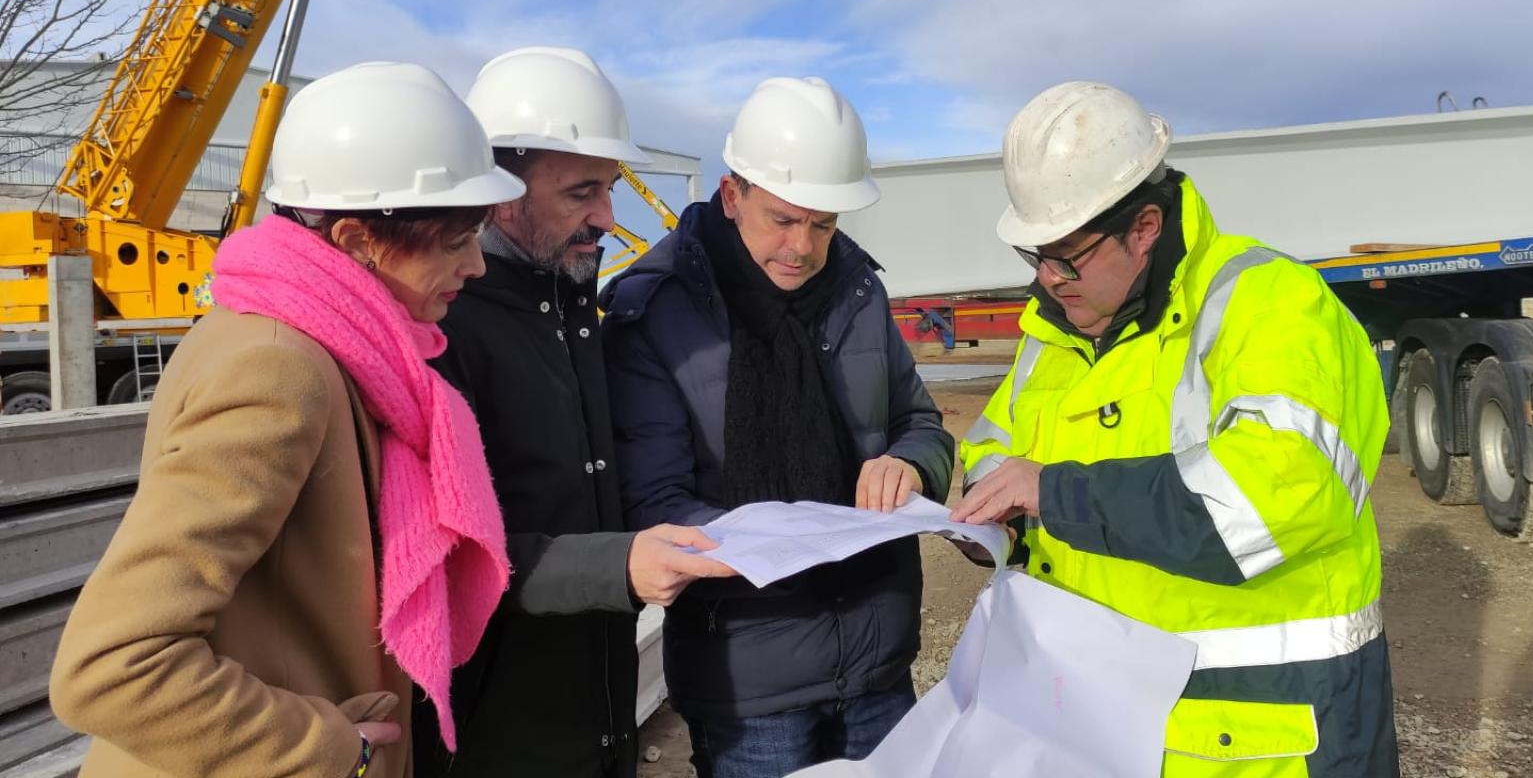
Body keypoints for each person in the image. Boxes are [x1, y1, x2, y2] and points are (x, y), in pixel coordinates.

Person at [49, 62, 526, 778]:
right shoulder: (280, 369)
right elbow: (113, 664)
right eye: (455, 239)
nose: (477, 265)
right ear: (358, 238)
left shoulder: (318, 345)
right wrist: (335, 751)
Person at [951, 81, 1399, 777]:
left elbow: (1268, 501)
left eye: (1066, 255)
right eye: (1034, 255)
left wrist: (1055, 494)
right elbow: (993, 449)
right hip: (1098, 714)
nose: (1048, 279)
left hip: (1261, 734)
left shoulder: (1270, 304)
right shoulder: (1054, 328)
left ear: (1146, 227)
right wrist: (994, 521)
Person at [601, 76, 955, 778]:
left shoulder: (857, 292)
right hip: (750, 682)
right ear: (732, 196)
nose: (804, 247)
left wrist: (911, 465)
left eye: (825, 225)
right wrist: (776, 544)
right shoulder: (660, 313)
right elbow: (653, 499)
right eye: (784, 220)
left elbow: (919, 420)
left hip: (879, 661)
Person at [412, 47, 736, 778]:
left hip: (597, 719)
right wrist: (615, 566)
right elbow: (441, 556)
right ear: (498, 192)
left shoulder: (578, 313)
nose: (607, 218)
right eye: (582, 192)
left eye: (612, 189)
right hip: (497, 740)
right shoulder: (445, 333)